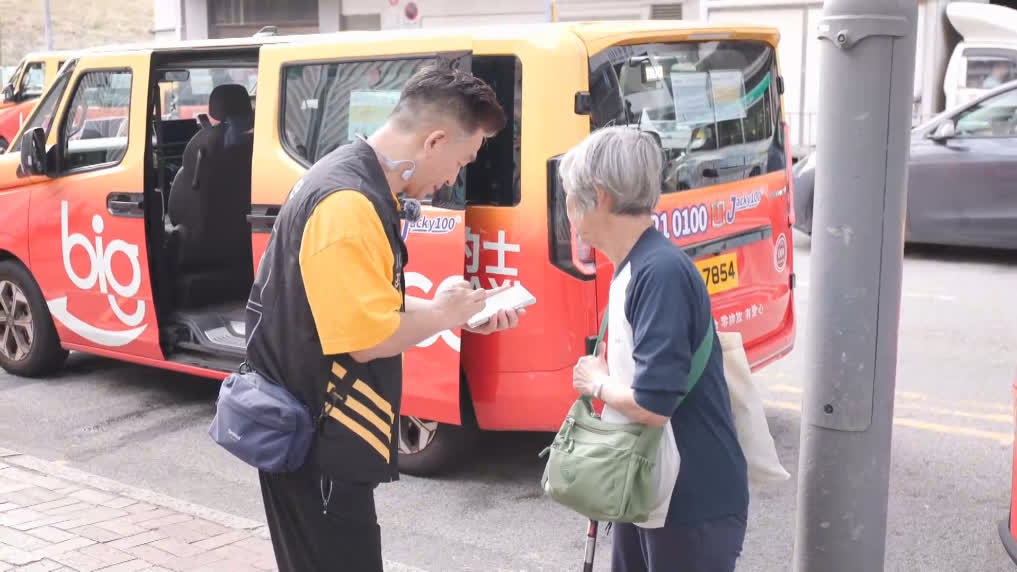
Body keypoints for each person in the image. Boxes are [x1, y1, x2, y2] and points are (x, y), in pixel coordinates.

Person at [244, 61, 524, 572]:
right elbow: (366, 338)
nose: (452, 179)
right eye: (461, 161)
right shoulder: (348, 203)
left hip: (317, 440)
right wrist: (442, 314)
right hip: (320, 444)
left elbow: (364, 303)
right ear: (434, 141)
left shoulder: (351, 178)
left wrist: (452, 313)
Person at [562, 126, 749, 572]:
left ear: (599, 196)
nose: (565, 207)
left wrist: (597, 382)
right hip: (649, 486)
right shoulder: (638, 264)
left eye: (569, 195)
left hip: (688, 500)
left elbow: (652, 403)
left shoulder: (658, 272)